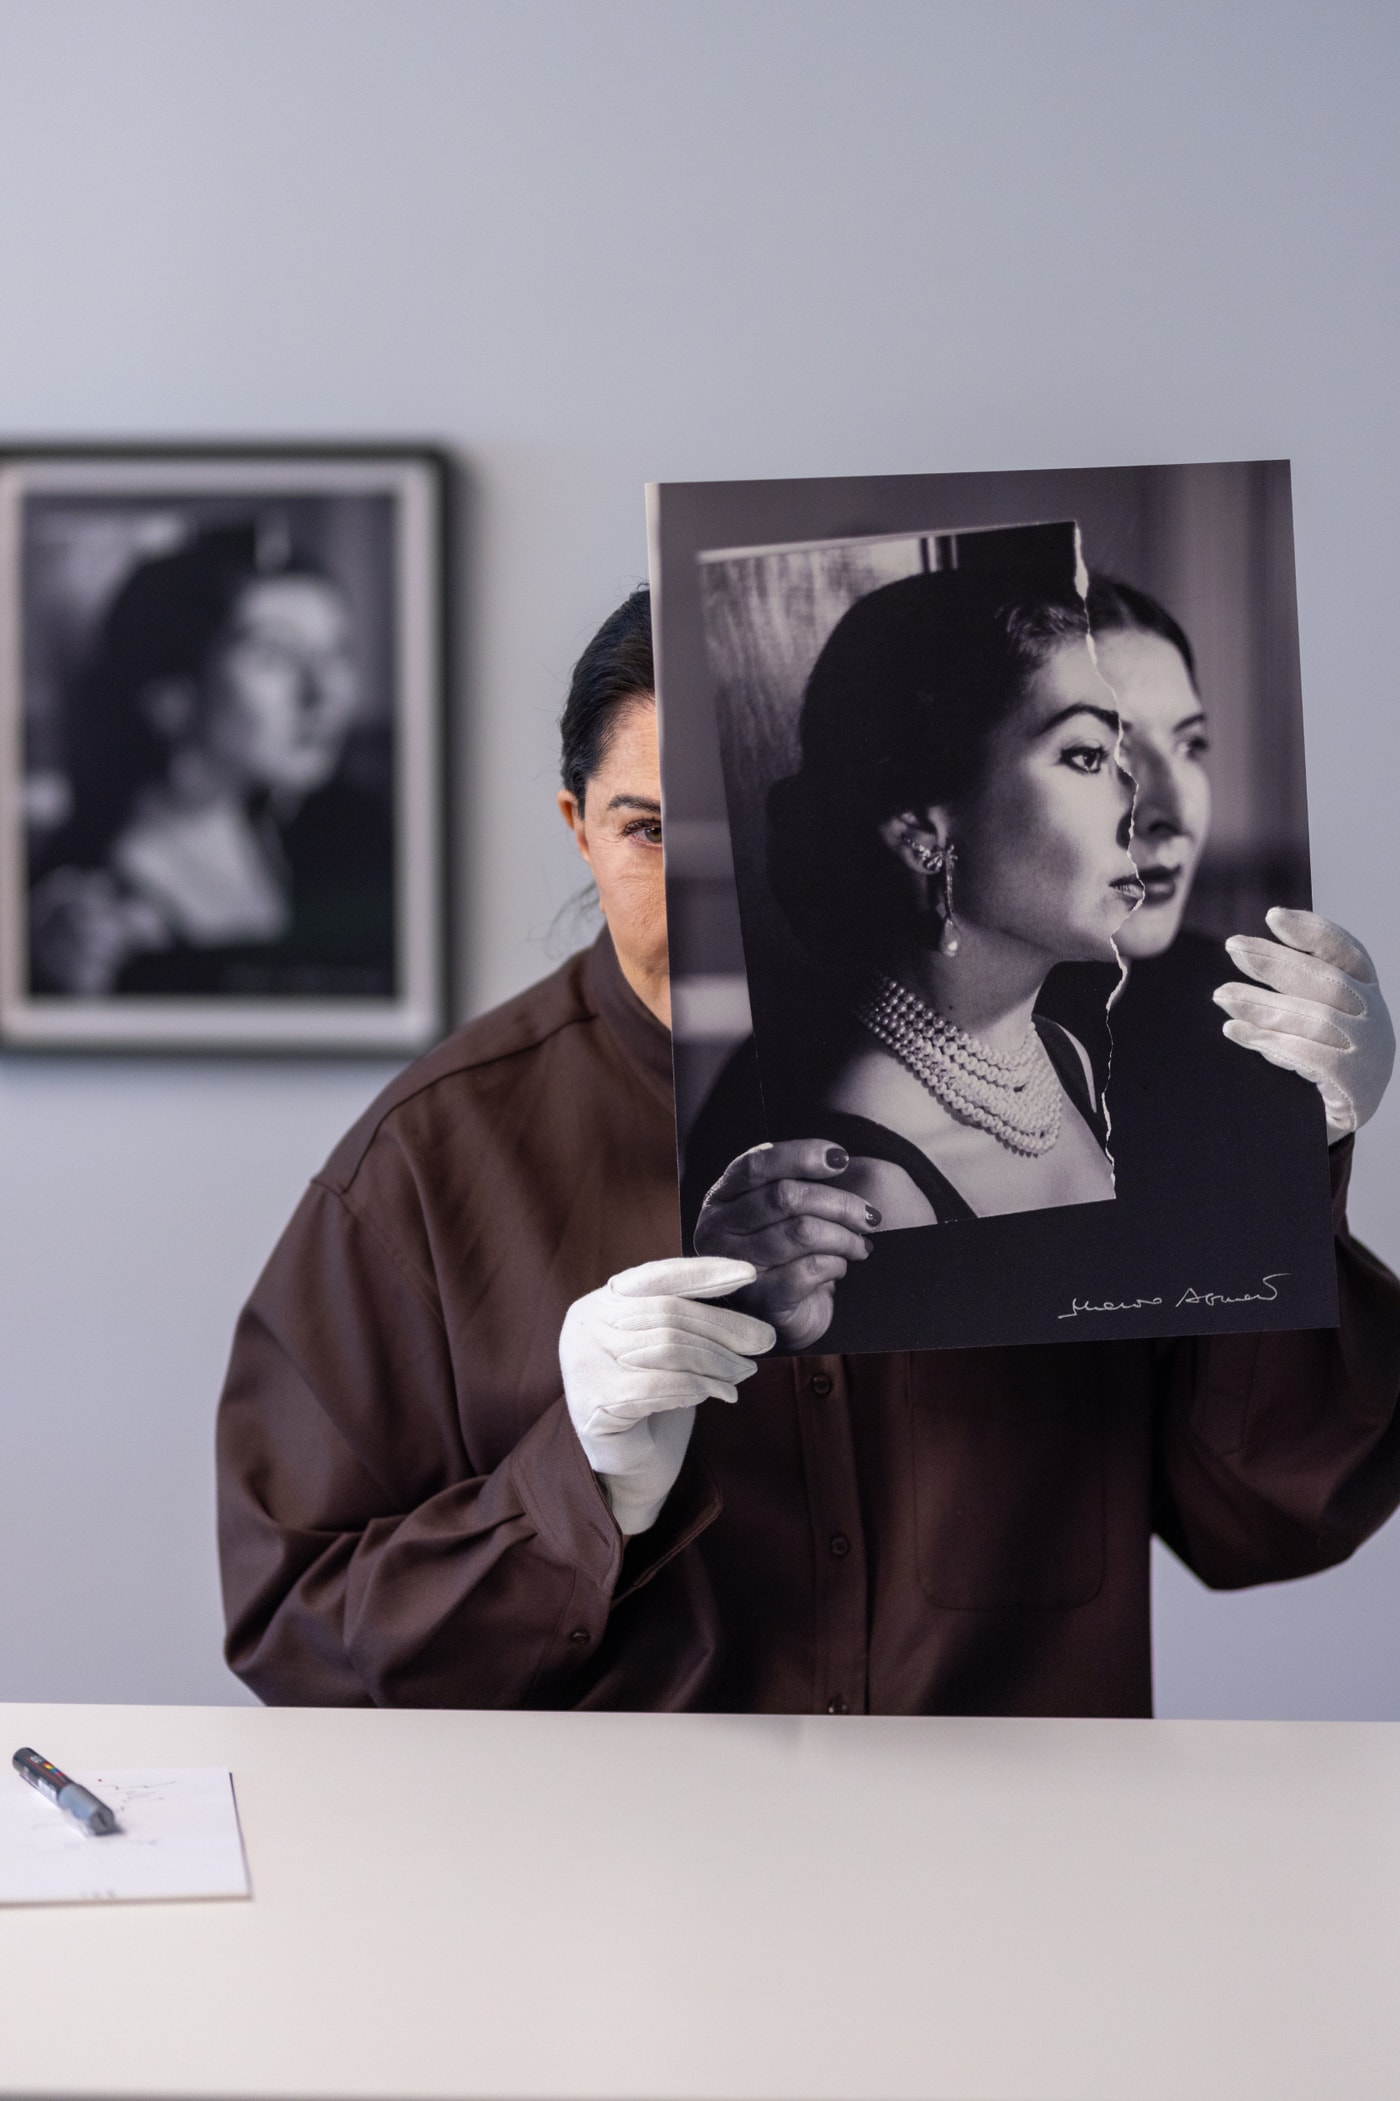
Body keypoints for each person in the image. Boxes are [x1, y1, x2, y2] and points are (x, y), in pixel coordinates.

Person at [217, 585, 1400, 1716]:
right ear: (578, 828)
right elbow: (300, 1636)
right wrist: (577, 1485)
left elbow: (1269, 1516)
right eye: (648, 832)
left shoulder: (1125, 1085)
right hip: (623, 1848)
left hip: (1018, 1839)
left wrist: (1290, 1176)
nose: (702, 899)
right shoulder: (431, 1158)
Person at [750, 570, 1143, 1238]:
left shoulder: (1067, 1057)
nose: (1138, 802)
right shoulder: (872, 1187)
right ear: (922, 836)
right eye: (1086, 756)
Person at [29, 521, 393, 1000]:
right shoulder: (91, 911)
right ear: (171, 695)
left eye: (337, 653)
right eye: (275, 656)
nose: (323, 693)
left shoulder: (343, 834)